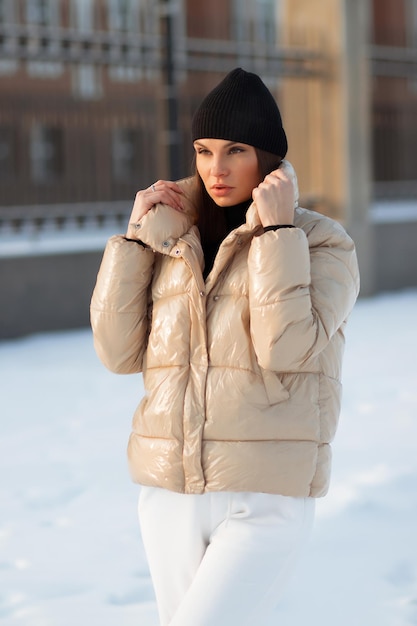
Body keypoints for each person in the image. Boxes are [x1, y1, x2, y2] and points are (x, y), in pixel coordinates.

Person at [90, 68, 360, 626]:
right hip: (171, 490)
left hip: (267, 494)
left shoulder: (323, 243)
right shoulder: (168, 238)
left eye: (235, 149)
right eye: (204, 150)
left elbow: (287, 351)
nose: (216, 168)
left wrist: (278, 234)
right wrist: (135, 238)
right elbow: (116, 353)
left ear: (268, 158)